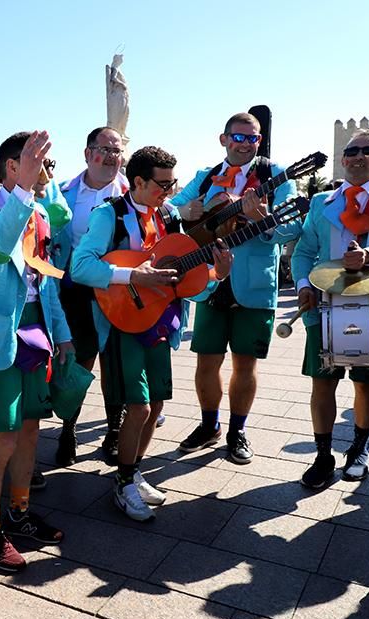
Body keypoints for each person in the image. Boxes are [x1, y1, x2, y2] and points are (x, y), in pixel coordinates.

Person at [72, 146, 234, 521]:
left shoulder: (169, 216)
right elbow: (80, 266)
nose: (169, 190)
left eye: (172, 182)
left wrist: (219, 275)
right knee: (139, 406)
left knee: (157, 403)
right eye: (163, 183)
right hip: (123, 322)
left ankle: (132, 471)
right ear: (138, 181)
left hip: (161, 321)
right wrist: (132, 275)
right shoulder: (107, 215)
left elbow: (187, 279)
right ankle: (124, 482)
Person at [0, 131, 72, 572]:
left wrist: (60, 332)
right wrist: (23, 193)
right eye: (40, 163)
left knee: (29, 431)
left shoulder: (39, 211)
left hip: (35, 333)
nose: (47, 172)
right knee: (1, 438)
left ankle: (19, 513)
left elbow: (44, 280)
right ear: (13, 168)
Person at [172, 112, 299, 465]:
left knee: (245, 365)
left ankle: (236, 431)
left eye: (252, 138)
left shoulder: (275, 176)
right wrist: (187, 208)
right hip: (211, 280)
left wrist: (264, 222)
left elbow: (297, 225)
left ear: (260, 141)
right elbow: (168, 208)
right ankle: (209, 425)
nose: (244, 144)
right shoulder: (204, 177)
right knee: (206, 362)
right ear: (223, 139)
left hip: (255, 284)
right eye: (238, 137)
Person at [293, 129, 369, 488]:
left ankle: (358, 449)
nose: (358, 156)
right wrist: (303, 285)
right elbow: (304, 251)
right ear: (343, 159)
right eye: (351, 150)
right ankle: (323, 456)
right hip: (323, 306)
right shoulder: (321, 202)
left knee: (365, 383)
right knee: (322, 385)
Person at [52, 127, 130, 465]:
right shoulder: (62, 193)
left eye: (118, 150)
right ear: (87, 153)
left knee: (116, 364)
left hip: (119, 291)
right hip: (74, 292)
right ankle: (67, 428)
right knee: (77, 362)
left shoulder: (131, 193)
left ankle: (114, 432)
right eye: (105, 150)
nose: (112, 157)